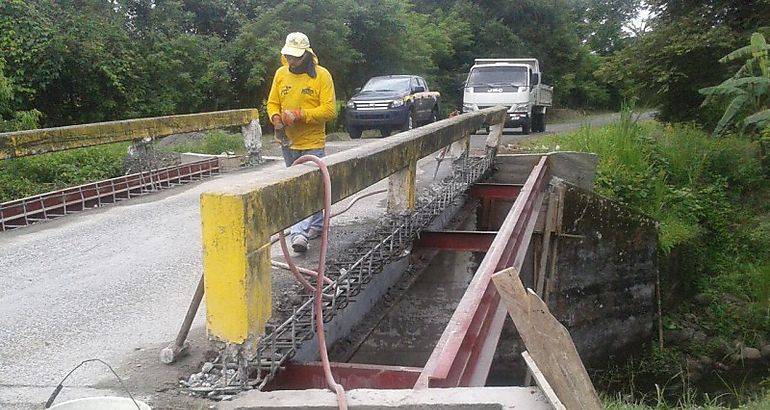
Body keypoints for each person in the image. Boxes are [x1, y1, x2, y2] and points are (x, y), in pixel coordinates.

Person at [267, 32, 337, 253]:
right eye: (288, 56)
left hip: (313, 142)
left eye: (296, 57)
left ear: (307, 54)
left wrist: (300, 114)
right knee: (304, 187)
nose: (291, 61)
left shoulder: (322, 76)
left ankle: (299, 233)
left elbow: (329, 110)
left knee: (308, 188)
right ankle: (314, 226)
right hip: (289, 143)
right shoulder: (280, 74)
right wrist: (276, 118)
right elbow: (272, 102)